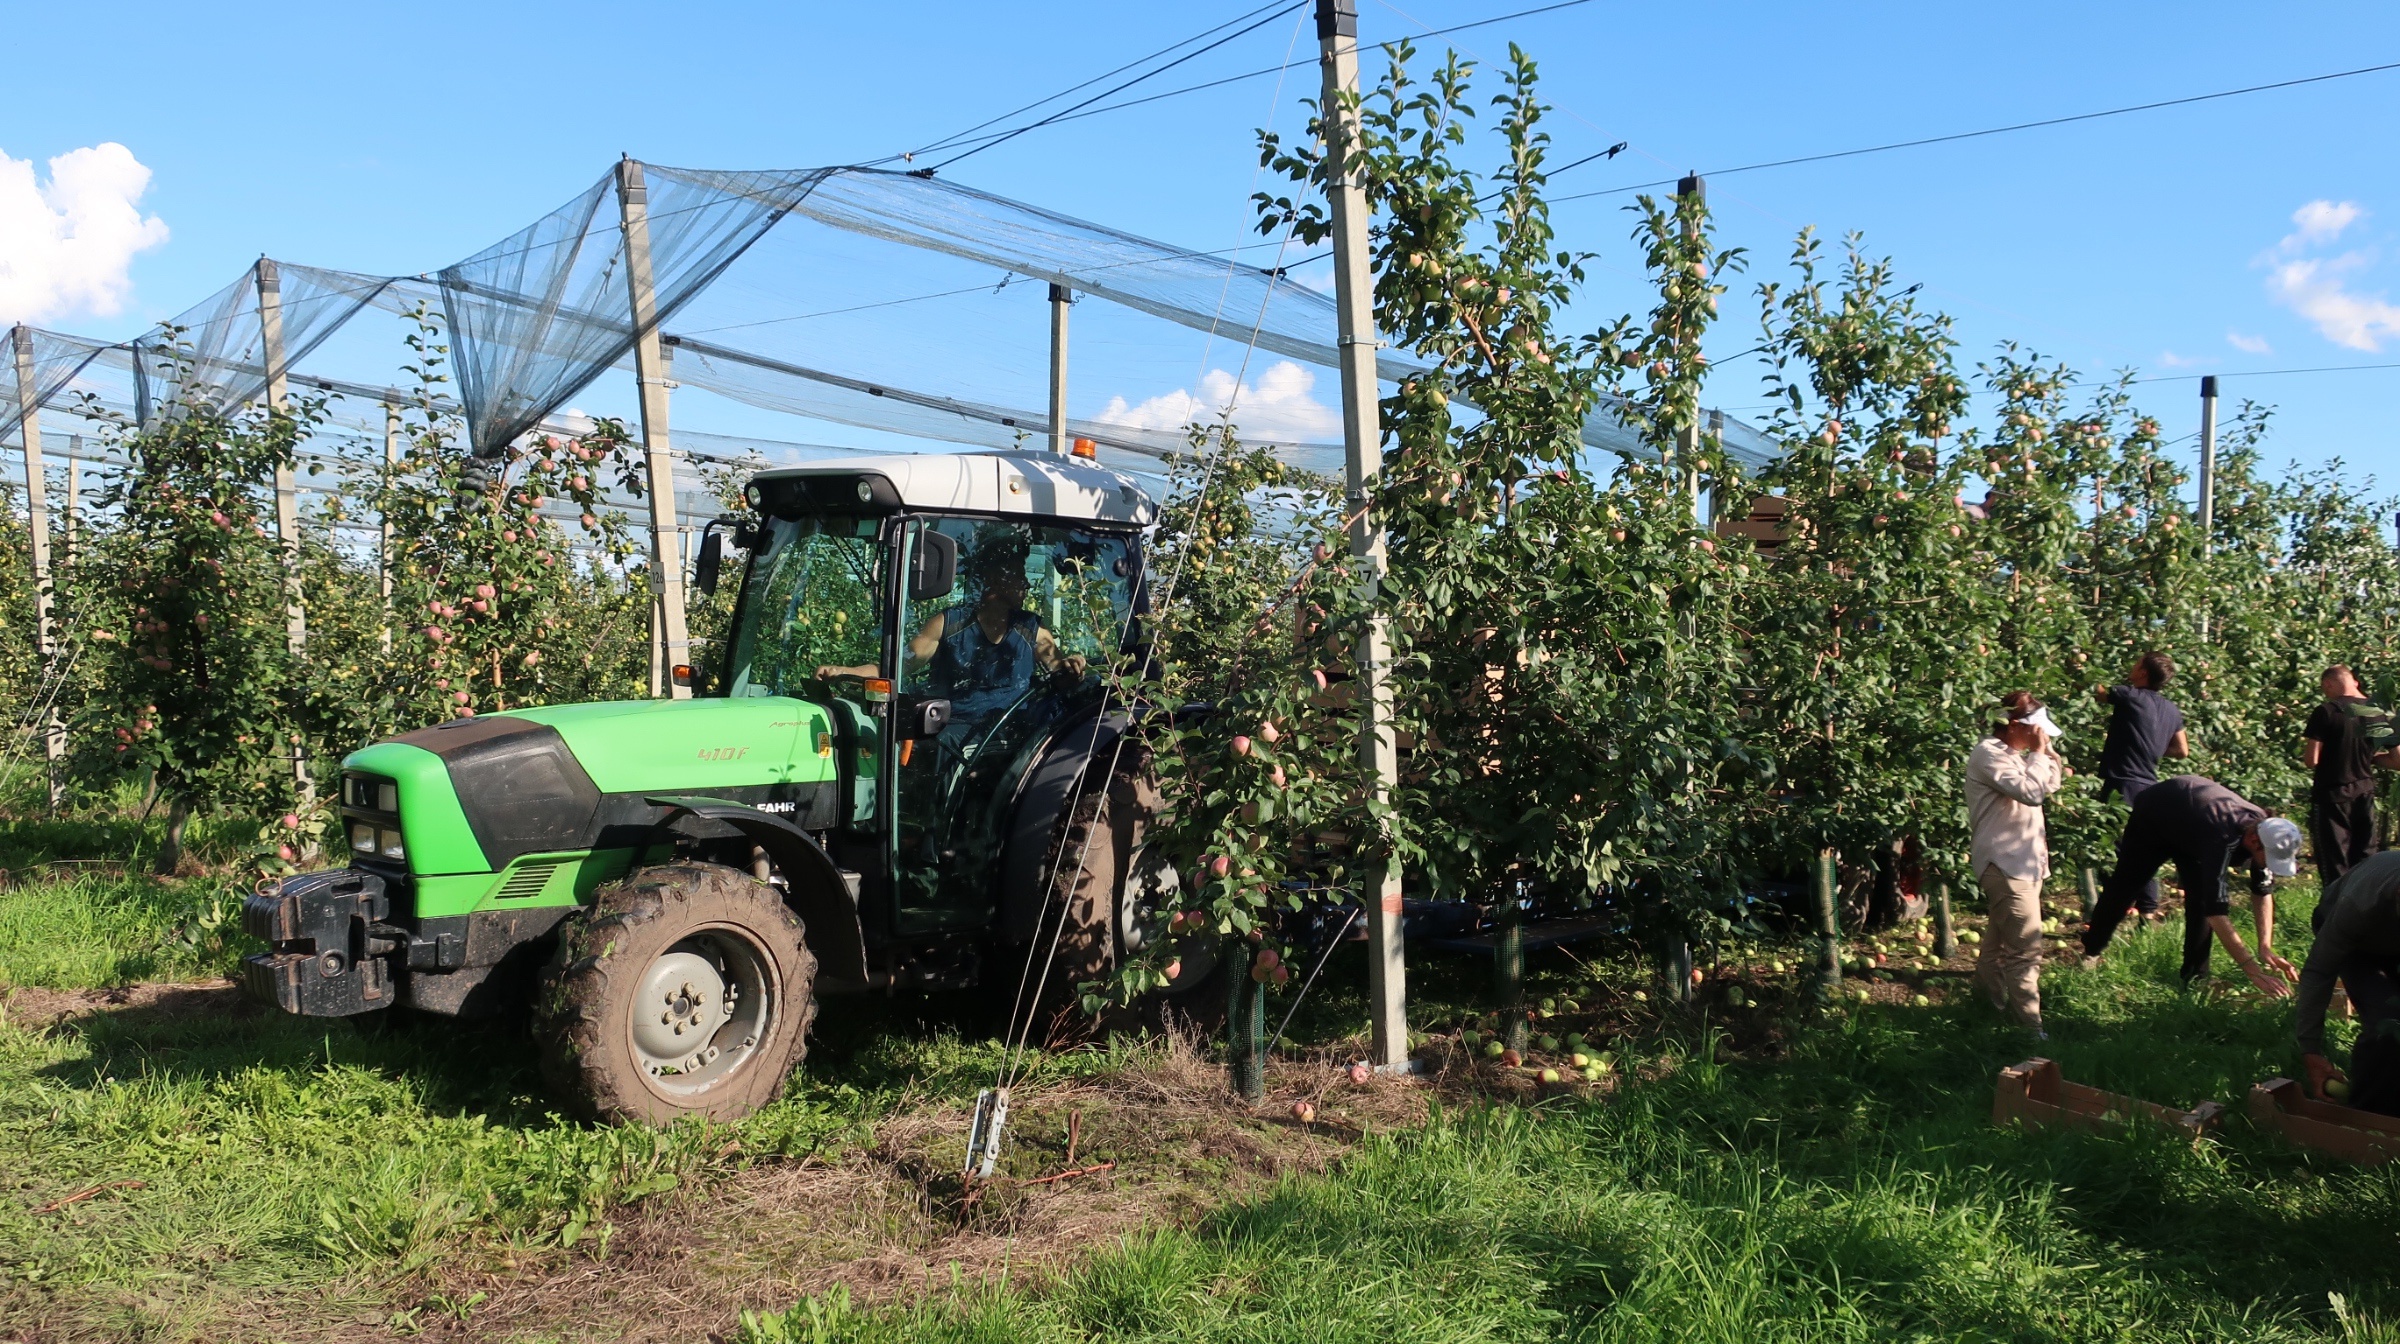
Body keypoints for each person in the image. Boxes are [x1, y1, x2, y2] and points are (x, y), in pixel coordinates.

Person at [2078, 773, 2303, 993]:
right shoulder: (2222, 840)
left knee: (2199, 902)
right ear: (2254, 841)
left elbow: (2262, 890)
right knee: (2126, 886)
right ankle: (2092, 950)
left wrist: (2265, 947)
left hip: (2194, 825)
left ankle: (2195, 980)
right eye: (2271, 858)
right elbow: (2217, 913)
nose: (2271, 865)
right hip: (2157, 813)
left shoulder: (2262, 831)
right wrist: (2252, 970)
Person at [1966, 695, 2066, 1034]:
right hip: (2005, 864)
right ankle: (2030, 1030)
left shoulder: (2014, 756)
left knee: (1996, 948)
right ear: (2013, 725)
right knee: (2025, 950)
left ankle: (1983, 1012)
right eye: (2037, 731)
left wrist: (2046, 753)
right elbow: (2030, 792)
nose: (2042, 737)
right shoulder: (1989, 754)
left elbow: (2049, 783)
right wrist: (2038, 754)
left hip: (2025, 863)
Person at [2295, 848, 2400, 1116]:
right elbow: (2319, 971)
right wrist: (2311, 1052)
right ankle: (2370, 1116)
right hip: (2359, 945)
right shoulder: (2359, 904)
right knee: (2387, 1021)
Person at [2092, 652, 2191, 919]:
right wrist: (2153, 746)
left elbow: (2096, 691)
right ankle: (2147, 910)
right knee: (2144, 848)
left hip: (2122, 782)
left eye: (2135, 664)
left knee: (2110, 846)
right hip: (2149, 785)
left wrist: (2078, 667)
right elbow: (2182, 750)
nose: (2131, 667)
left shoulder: (2129, 695)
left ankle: (2112, 908)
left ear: (2144, 673)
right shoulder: (2171, 709)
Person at [2303, 665, 2388, 893]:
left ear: (2329, 684)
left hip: (2332, 797)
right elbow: (2398, 759)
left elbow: (2312, 759)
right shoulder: (2377, 712)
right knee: (2365, 861)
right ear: (2355, 682)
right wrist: (2369, 757)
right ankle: (2366, 916)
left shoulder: (2327, 711)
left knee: (2335, 866)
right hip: (2365, 793)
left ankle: (2334, 919)